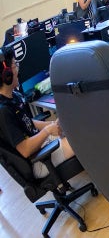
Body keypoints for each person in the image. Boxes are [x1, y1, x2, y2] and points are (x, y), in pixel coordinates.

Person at [0, 47, 74, 179]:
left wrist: (53, 125)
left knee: (76, 128)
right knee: (81, 142)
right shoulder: (3, 111)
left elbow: (27, 122)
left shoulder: (14, 95)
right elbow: (25, 150)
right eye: (15, 64)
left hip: (42, 146)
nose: (18, 68)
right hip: (38, 161)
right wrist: (47, 131)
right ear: (7, 75)